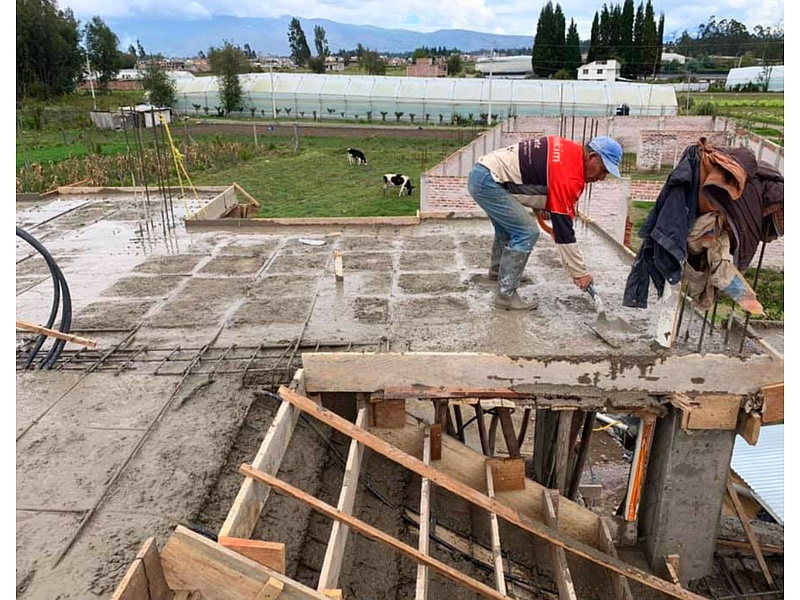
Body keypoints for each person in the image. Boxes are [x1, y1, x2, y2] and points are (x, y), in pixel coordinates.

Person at [467, 135, 623, 310]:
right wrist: (580, 273)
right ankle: (506, 294)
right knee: (526, 231)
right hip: (488, 181)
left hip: (484, 174)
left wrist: (546, 206)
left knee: (509, 228)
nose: (602, 177)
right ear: (592, 156)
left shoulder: (569, 152)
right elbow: (564, 234)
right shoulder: (570, 176)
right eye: (603, 170)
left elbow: (533, 176)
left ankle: (499, 273)